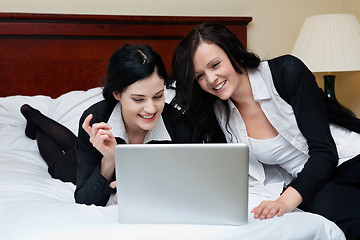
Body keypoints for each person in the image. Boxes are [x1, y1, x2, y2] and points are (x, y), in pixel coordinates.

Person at [171, 22, 360, 240]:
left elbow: (325, 153)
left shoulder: (285, 72)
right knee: (347, 220)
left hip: (349, 158)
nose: (211, 79)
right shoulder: (218, 114)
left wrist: (283, 202)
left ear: (233, 53)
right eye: (199, 76)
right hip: (315, 182)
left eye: (215, 65)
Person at [20, 43, 202, 207]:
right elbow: (85, 199)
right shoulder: (96, 120)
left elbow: (189, 183)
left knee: (74, 146)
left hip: (89, 151)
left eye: (158, 96)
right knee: (57, 166)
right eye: (138, 99)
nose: (151, 108)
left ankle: (34, 117)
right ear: (117, 94)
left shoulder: (179, 125)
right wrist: (109, 159)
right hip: (93, 155)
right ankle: (35, 121)